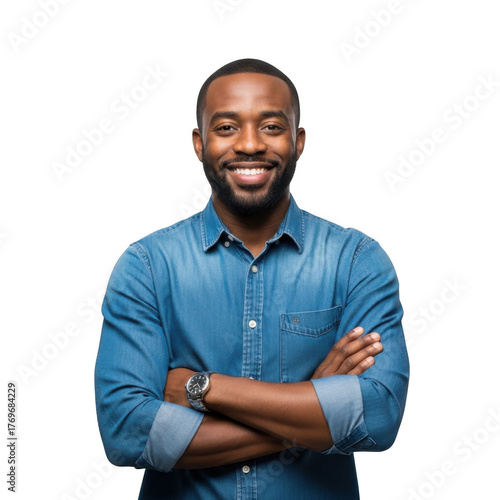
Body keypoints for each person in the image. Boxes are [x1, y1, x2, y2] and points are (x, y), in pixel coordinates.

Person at [94, 58, 410, 499]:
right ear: (199, 143)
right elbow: (127, 431)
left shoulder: (356, 260)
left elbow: (378, 415)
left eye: (271, 127)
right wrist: (310, 407)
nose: (248, 145)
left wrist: (202, 388)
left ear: (298, 142)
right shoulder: (147, 265)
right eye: (226, 128)